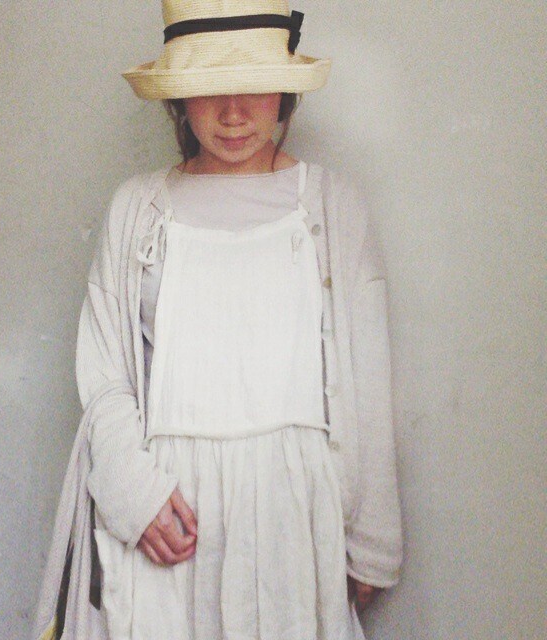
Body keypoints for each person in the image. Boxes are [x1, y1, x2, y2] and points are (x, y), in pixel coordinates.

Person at [32, 1, 403, 639]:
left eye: (254, 86)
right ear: (179, 99)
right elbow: (105, 370)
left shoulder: (331, 206)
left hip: (292, 517)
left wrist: (372, 540)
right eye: (209, 89)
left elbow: (368, 373)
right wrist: (134, 494)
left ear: (285, 92)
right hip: (170, 519)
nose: (233, 113)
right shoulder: (138, 208)